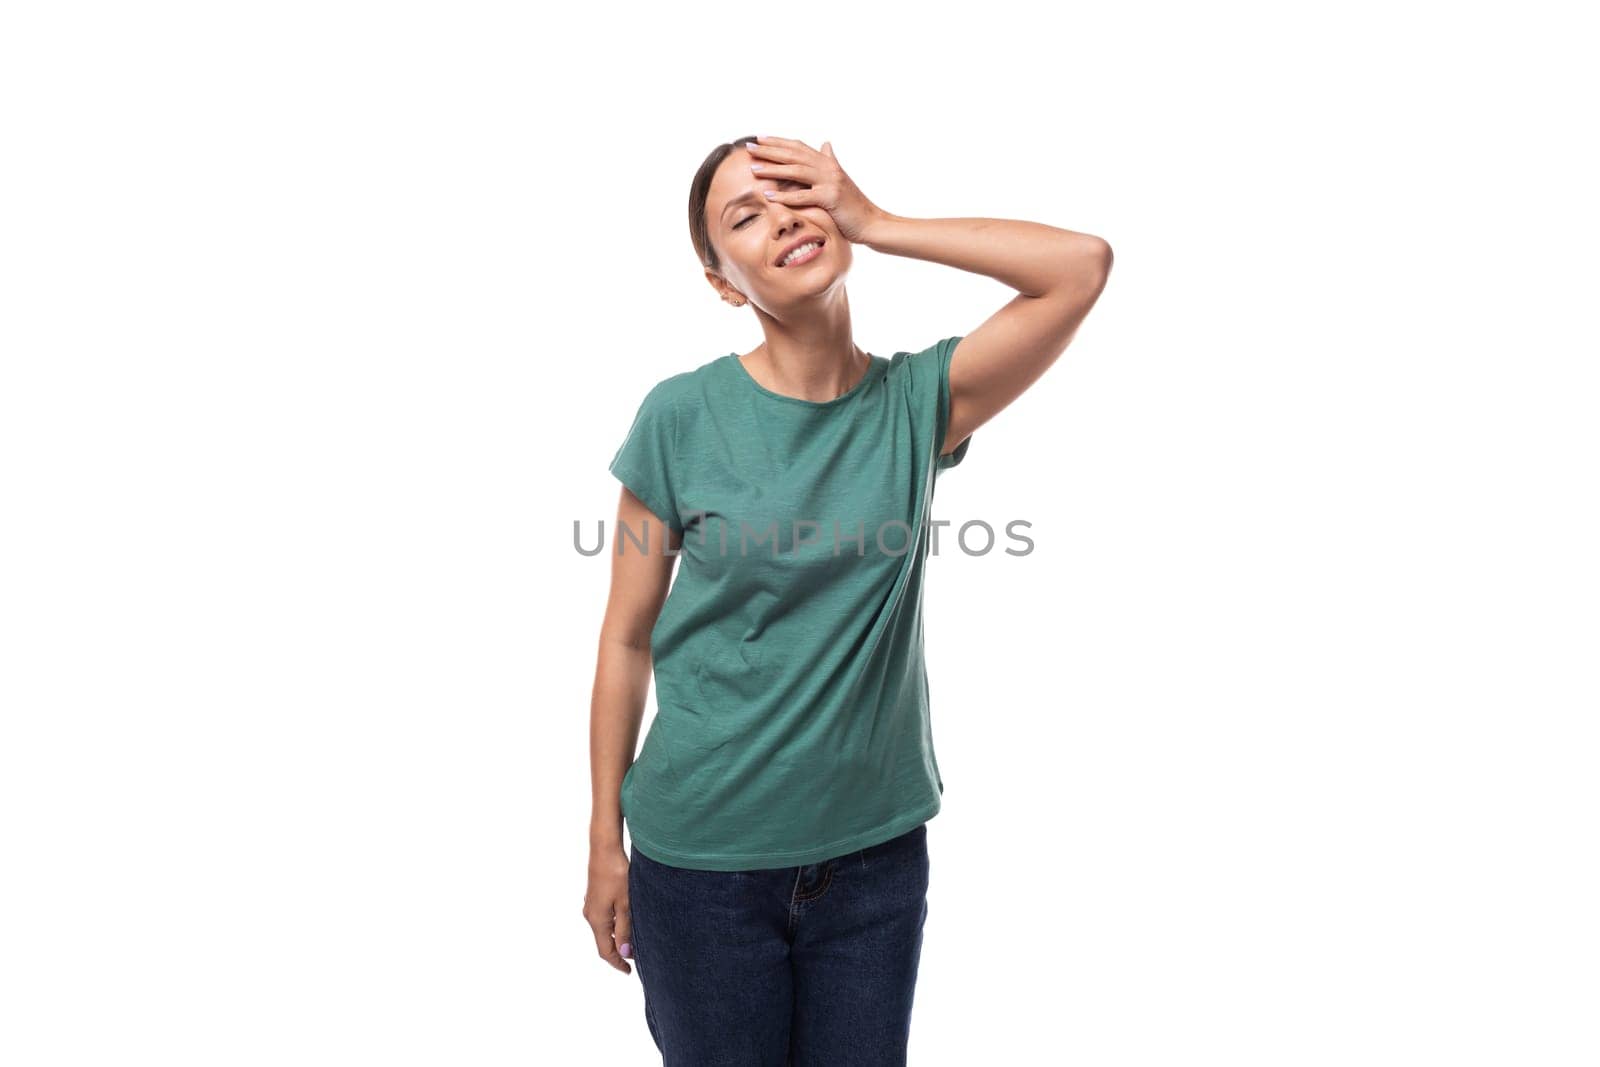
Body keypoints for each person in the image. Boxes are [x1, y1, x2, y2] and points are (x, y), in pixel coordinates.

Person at [584, 133, 1113, 1065]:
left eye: (797, 191)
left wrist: (878, 220)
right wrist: (603, 838)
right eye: (744, 216)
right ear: (721, 282)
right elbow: (626, 640)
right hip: (703, 865)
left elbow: (1079, 267)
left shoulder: (921, 402)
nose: (783, 214)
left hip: (872, 861)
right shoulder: (679, 417)